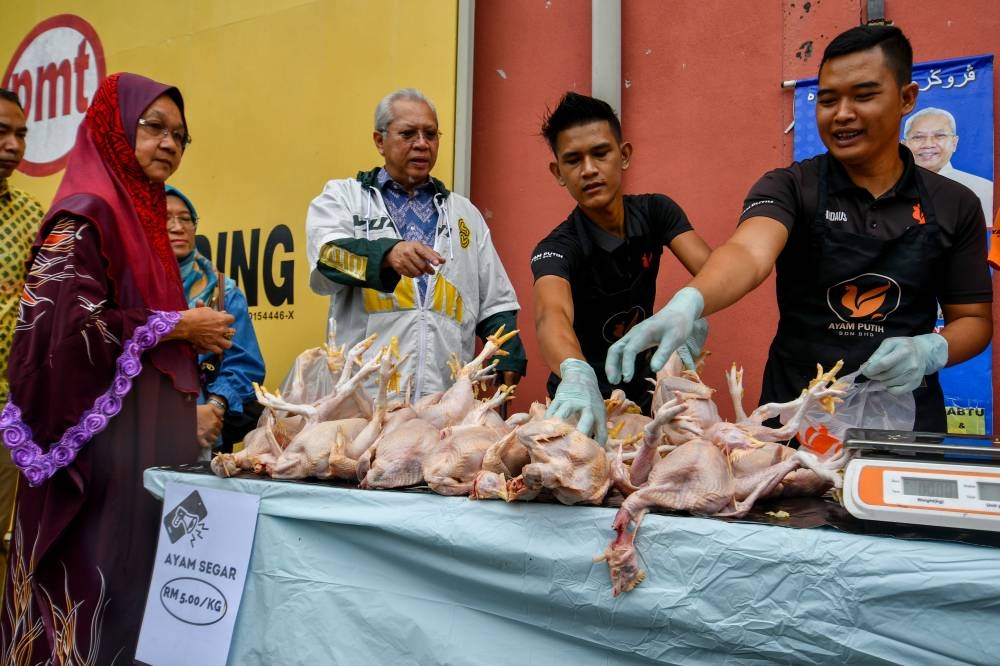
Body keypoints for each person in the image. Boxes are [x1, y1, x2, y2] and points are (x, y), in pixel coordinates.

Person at [606, 24, 992, 434]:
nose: (842, 113)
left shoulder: (955, 203)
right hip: (791, 422)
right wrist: (689, 302)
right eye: (828, 100)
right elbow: (749, 253)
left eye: (863, 96)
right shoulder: (790, 186)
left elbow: (973, 319)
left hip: (904, 420)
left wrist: (932, 349)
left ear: (905, 99)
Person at [0, 73, 234, 661]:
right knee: (82, 596)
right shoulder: (82, 218)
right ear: (114, 128)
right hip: (92, 459)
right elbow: (56, 339)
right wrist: (177, 326)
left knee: (127, 598)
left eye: (181, 135)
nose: (170, 145)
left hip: (135, 451)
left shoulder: (144, 216)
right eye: (153, 127)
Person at [306, 88, 526, 402]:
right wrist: (386, 254)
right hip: (364, 396)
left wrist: (506, 351)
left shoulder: (465, 214)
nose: (422, 144)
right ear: (379, 141)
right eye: (408, 134)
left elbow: (495, 302)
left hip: (444, 396)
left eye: (431, 134)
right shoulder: (344, 197)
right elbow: (327, 258)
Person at [531, 92, 710, 443]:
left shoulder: (657, 212)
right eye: (573, 160)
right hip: (581, 400)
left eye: (601, 153)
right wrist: (574, 371)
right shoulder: (557, 247)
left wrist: (690, 312)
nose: (589, 170)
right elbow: (550, 314)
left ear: (624, 155)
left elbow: (712, 270)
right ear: (558, 173)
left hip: (645, 393)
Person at [166, 184, 266, 456]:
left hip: (202, 435)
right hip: (140, 431)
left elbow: (244, 364)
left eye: (186, 218)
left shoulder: (223, 292)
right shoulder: (129, 289)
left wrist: (215, 406)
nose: (177, 227)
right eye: (165, 218)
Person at [0, 88, 44, 594]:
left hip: (8, 409)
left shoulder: (35, 219)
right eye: (2, 133)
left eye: (21, 134)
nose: (13, 145)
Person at [903, 106, 993, 222]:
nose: (928, 144)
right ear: (904, 144)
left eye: (939, 136)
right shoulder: (889, 189)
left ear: (954, 143)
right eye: (918, 137)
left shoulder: (983, 190)